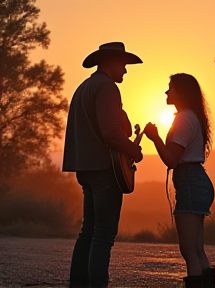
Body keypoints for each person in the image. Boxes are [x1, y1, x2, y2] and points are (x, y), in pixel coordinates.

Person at [62, 42, 143, 288]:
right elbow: (111, 134)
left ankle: (78, 284)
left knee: (89, 230)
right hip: (103, 170)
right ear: (111, 62)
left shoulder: (84, 87)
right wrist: (134, 151)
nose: (125, 71)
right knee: (103, 235)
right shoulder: (107, 88)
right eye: (123, 65)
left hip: (84, 169)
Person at [144, 73, 215, 288]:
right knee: (197, 248)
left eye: (170, 87)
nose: (167, 91)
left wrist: (155, 137)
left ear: (181, 91)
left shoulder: (184, 118)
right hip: (197, 181)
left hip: (190, 183)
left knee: (188, 250)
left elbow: (172, 160)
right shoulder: (193, 116)